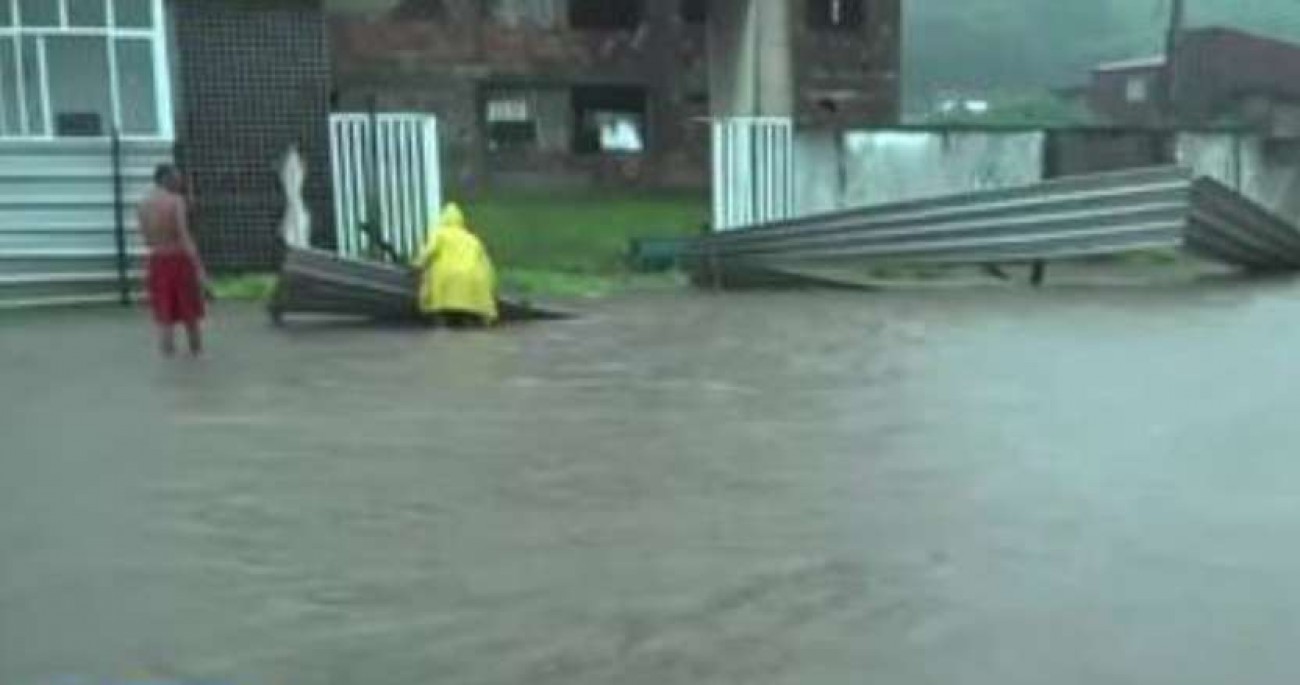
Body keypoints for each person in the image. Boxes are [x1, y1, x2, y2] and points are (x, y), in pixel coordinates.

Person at [138, 164, 209, 356]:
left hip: (157, 261)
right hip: (179, 260)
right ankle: (197, 356)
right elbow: (184, 235)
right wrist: (199, 268)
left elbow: (146, 239)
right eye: (176, 178)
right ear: (165, 179)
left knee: (164, 316)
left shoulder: (143, 204)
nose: (180, 182)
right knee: (191, 315)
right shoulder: (176, 201)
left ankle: (167, 358)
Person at [412, 203, 498, 328]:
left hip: (445, 280)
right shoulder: (472, 239)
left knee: (442, 313)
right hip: (471, 280)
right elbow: (486, 264)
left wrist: (417, 264)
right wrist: (491, 285)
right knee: (467, 312)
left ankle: (442, 323)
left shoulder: (440, 233)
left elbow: (430, 251)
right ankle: (467, 320)